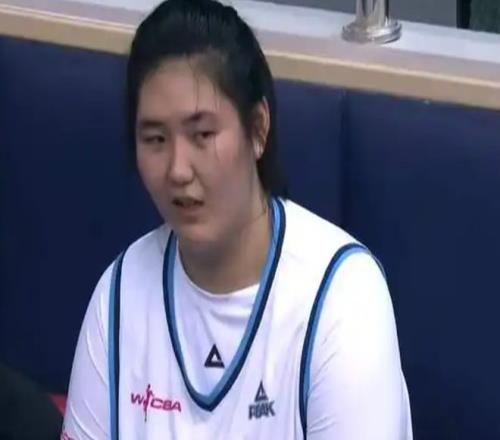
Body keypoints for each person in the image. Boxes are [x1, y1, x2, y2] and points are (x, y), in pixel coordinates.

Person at [63, 0, 412, 438]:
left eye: (202, 134)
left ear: (258, 128)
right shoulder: (119, 294)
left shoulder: (342, 298)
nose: (177, 170)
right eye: (155, 139)